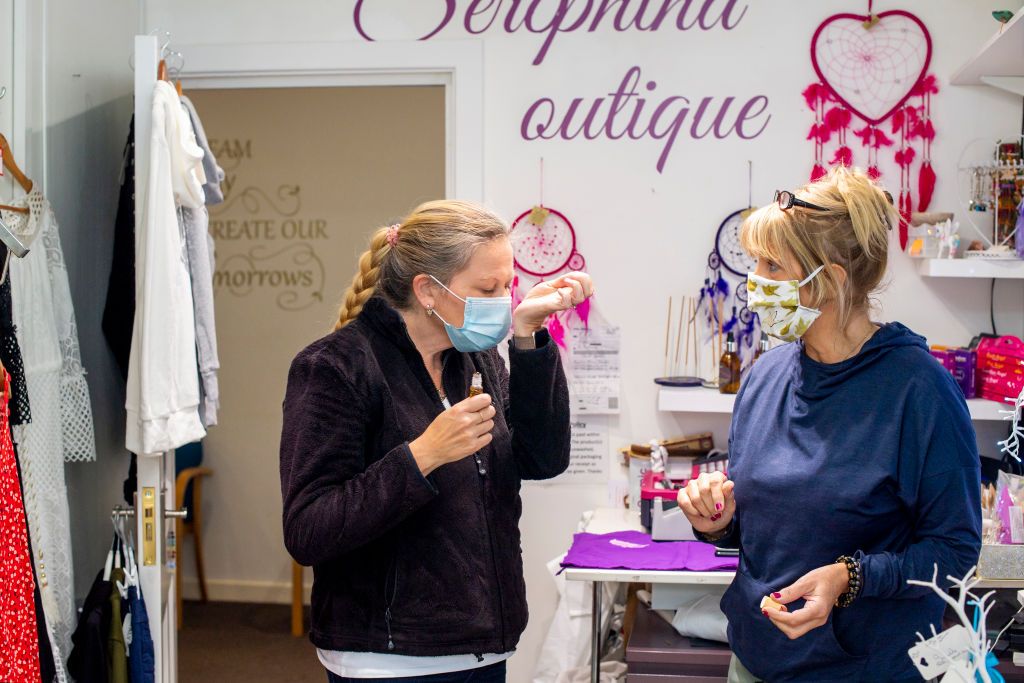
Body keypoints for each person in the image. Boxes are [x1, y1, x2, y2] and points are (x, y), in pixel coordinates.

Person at [678, 167, 982, 682]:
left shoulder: (918, 390)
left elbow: (955, 553)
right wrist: (720, 519)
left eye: (773, 264)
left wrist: (852, 576)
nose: (755, 279)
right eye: (755, 261)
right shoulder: (767, 375)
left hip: (861, 669)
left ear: (831, 281)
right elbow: (775, 523)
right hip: (755, 660)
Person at [279, 200, 594, 682]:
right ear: (427, 290)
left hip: (482, 646)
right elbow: (309, 529)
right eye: (487, 288)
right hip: (388, 658)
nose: (503, 302)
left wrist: (529, 336)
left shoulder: (474, 359)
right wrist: (423, 455)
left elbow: (542, 458)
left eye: (507, 286)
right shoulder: (335, 368)